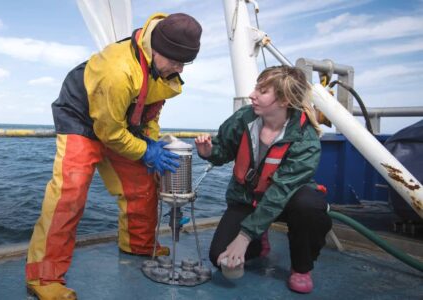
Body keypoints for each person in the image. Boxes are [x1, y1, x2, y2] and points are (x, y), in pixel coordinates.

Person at [26, 13, 202, 300]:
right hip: (81, 118)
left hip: (121, 123)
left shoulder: (165, 70)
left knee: (143, 185)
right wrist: (145, 150)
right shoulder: (118, 70)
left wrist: (151, 141)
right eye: (174, 60)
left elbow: (151, 111)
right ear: (154, 49)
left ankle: (139, 244)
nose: (178, 68)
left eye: (185, 63)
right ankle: (43, 277)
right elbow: (108, 132)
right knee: (69, 195)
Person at [195, 66, 332, 294]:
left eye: (263, 91)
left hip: (285, 201)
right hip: (247, 199)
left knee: (310, 207)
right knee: (218, 256)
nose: (252, 95)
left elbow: (280, 191)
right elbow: (222, 151)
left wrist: (244, 236)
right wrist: (208, 152)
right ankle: (260, 244)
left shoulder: (306, 140)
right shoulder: (244, 118)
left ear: (285, 100)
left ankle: (301, 267)